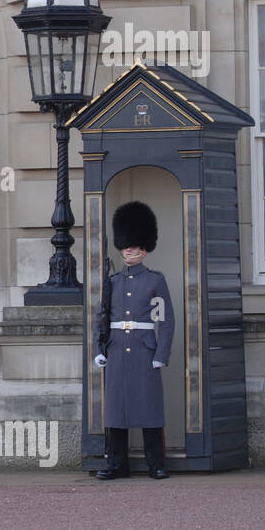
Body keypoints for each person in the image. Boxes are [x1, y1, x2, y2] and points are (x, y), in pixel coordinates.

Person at [93, 201, 174, 480]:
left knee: (149, 409)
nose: (129, 250)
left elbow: (164, 320)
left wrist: (160, 354)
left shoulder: (155, 280)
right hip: (116, 350)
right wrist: (98, 349)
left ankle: (156, 463)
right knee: (116, 411)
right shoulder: (113, 281)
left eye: (135, 246)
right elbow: (101, 318)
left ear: (144, 248)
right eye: (126, 246)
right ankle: (117, 463)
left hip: (143, 350)